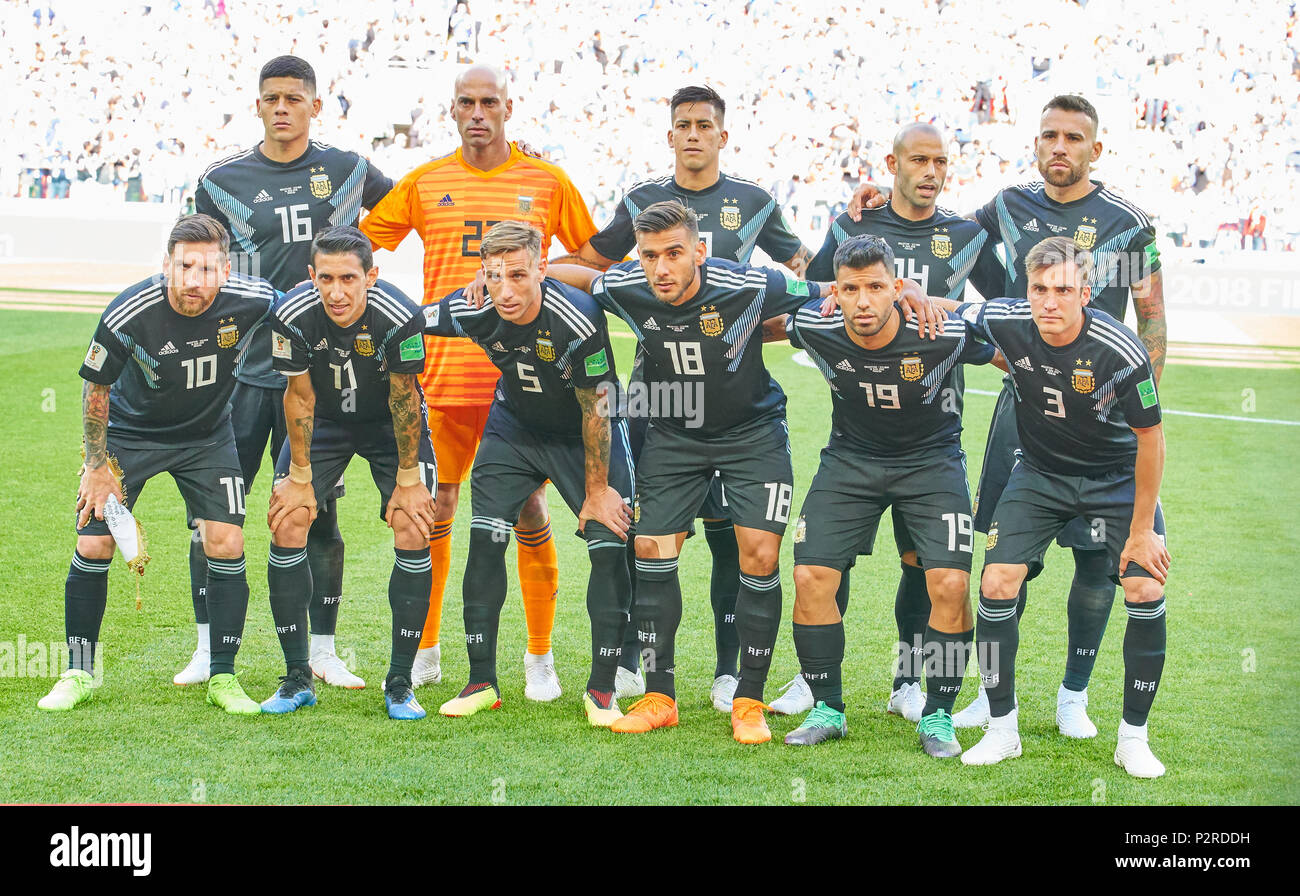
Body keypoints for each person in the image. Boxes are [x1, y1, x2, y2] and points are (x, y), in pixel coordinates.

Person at [848, 95, 1166, 735]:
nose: (1059, 147)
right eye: (1048, 135)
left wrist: (1132, 406)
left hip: (1102, 417)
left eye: (1073, 138)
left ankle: (1073, 692)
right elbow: (939, 232)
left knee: (1099, 563)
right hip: (1025, 405)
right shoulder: (1006, 208)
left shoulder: (1128, 224)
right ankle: (993, 699)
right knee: (1001, 561)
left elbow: (1153, 320)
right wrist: (885, 193)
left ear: (1094, 150)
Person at [568, 84, 813, 713]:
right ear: (670, 133)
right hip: (659, 403)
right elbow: (591, 265)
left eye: (706, 123)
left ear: (722, 135)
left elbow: (808, 275)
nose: (695, 133)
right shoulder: (642, 200)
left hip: (736, 397)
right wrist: (524, 271)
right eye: (684, 124)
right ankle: (637, 660)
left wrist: (751, 327)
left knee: (735, 534)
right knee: (646, 533)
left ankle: (731, 672)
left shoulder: (755, 201)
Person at [547, 200, 827, 744]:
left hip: (752, 433)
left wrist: (906, 292)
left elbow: (827, 286)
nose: (662, 268)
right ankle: (660, 694)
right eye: (650, 256)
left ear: (700, 250)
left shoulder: (747, 283)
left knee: (760, 552)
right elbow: (585, 275)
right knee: (652, 549)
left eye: (674, 253)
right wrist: (532, 272)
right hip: (674, 436)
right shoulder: (628, 284)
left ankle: (748, 699)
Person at [361, 64, 599, 701]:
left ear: (507, 107)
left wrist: (534, 282)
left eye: (488, 102)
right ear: (452, 110)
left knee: (526, 511)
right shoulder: (424, 181)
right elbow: (360, 250)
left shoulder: (547, 182)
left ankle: (540, 656)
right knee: (434, 509)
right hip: (442, 380)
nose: (476, 113)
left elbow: (596, 258)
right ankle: (428, 648)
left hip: (528, 388)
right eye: (465, 102)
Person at [770, 121, 1004, 719]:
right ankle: (817, 685)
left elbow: (1005, 313)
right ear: (893, 162)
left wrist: (931, 303)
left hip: (932, 435)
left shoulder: (967, 234)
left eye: (940, 162)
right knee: (822, 563)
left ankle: (915, 683)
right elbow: (806, 291)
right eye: (918, 160)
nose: (930, 172)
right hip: (854, 443)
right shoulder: (854, 223)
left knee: (929, 570)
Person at [188, 54, 393, 690]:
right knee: (216, 512)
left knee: (318, 510)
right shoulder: (221, 181)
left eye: (294, 98)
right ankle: (207, 647)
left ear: (315, 105)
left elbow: (406, 213)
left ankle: (322, 650)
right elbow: (198, 264)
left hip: (322, 376)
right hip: (244, 371)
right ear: (258, 105)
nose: (282, 107)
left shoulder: (351, 169)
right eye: (271, 97)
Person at [951, 236, 1170, 777]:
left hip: (1114, 479)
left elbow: (1152, 438)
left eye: (1063, 290)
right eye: (1039, 289)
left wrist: (1142, 531)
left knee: (1145, 585)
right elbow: (954, 308)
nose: (1049, 301)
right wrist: (913, 293)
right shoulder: (1007, 318)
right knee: (997, 581)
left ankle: (1132, 738)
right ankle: (1003, 730)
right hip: (1041, 474)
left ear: (1086, 293)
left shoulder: (1120, 349)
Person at [39, 214, 275, 715]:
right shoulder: (130, 310)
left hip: (208, 436)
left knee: (226, 539)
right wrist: (97, 466)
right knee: (95, 539)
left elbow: (307, 304)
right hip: (130, 434)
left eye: (209, 268)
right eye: (185, 266)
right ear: (166, 263)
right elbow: (95, 388)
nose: (195, 280)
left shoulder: (255, 300)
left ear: (226, 270)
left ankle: (224, 677)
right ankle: (78, 671)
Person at [423, 221, 634, 727]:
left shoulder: (577, 318)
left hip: (582, 432)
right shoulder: (477, 305)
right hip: (513, 430)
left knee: (610, 543)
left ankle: (603, 689)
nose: (505, 289)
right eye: (493, 276)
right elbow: (407, 322)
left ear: (542, 267)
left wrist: (597, 490)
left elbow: (598, 408)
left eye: (517, 274)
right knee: (486, 538)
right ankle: (481, 681)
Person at [263, 226, 437, 720]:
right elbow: (298, 396)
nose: (336, 292)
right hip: (325, 424)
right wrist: (299, 475)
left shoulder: (399, 314)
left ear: (371, 276)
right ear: (310, 276)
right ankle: (298, 677)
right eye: (325, 278)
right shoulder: (292, 315)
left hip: (389, 424)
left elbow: (405, 397)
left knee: (413, 523)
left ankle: (400, 682)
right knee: (288, 518)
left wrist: (408, 479)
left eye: (348, 278)